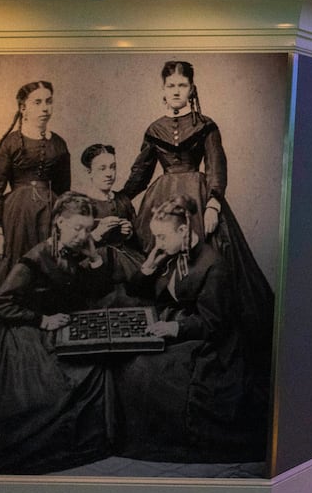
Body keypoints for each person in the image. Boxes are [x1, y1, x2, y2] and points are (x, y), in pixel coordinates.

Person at [0, 193, 132, 473]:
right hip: (22, 331)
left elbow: (91, 291)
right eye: (77, 228)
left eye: (88, 229)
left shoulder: (79, 248)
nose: (83, 235)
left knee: (98, 368)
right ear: (60, 222)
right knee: (51, 391)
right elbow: (2, 303)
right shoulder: (37, 256)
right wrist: (41, 321)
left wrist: (94, 258)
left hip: (59, 322)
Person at [118, 61, 274, 355]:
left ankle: (204, 328)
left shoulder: (205, 125)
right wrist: (120, 198)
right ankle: (162, 325)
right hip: (162, 197)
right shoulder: (154, 128)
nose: (176, 91)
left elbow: (216, 165)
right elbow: (141, 171)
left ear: (191, 89)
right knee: (158, 254)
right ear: (163, 91)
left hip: (199, 198)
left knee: (209, 259)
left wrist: (213, 203)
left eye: (182, 85)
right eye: (170, 86)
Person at [113, 196, 265, 463]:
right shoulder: (169, 253)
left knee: (145, 368)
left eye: (161, 237)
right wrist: (148, 266)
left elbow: (213, 323)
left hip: (212, 345)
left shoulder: (213, 265)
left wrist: (173, 327)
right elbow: (136, 291)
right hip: (180, 327)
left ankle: (159, 440)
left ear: (183, 231)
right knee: (128, 361)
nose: (157, 243)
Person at [0, 80, 72, 347]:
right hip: (15, 220)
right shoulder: (12, 143)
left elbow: (65, 191)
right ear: (23, 108)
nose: (44, 108)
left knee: (48, 271)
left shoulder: (58, 143)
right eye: (37, 102)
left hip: (49, 219)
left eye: (48, 101)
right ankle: (4, 341)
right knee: (8, 277)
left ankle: (45, 335)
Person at [79, 143, 137, 254]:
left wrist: (129, 233)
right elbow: (73, 248)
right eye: (102, 169)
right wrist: (97, 234)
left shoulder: (123, 200)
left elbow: (137, 241)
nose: (109, 174)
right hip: (93, 261)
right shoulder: (81, 204)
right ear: (89, 172)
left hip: (124, 260)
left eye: (113, 167)